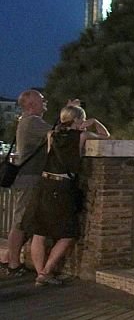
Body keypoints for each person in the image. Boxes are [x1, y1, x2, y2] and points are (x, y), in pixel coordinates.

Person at [22, 100, 110, 286]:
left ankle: (40, 273)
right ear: (79, 120)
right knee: (68, 232)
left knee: (39, 232)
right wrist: (94, 121)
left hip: (44, 183)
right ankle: (45, 272)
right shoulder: (82, 135)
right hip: (62, 186)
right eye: (83, 118)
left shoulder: (51, 134)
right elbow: (106, 136)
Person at [4, 89, 53, 277]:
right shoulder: (33, 122)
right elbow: (56, 133)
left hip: (27, 176)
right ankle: (14, 264)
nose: (45, 101)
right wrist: (71, 113)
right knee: (21, 221)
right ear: (32, 104)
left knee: (24, 220)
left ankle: (9, 258)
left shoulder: (26, 121)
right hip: (29, 176)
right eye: (42, 99)